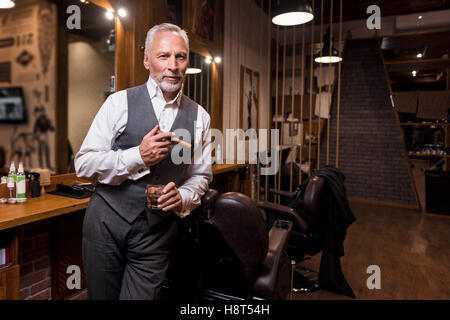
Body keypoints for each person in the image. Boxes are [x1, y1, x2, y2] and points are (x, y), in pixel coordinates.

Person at [74, 23, 212, 300]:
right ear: (147, 61)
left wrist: (183, 195)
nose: (173, 65)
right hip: (105, 224)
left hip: (157, 231)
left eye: (180, 56)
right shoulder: (118, 103)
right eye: (163, 56)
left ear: (187, 61)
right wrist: (137, 156)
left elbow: (200, 175)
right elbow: (84, 164)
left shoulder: (201, 118)